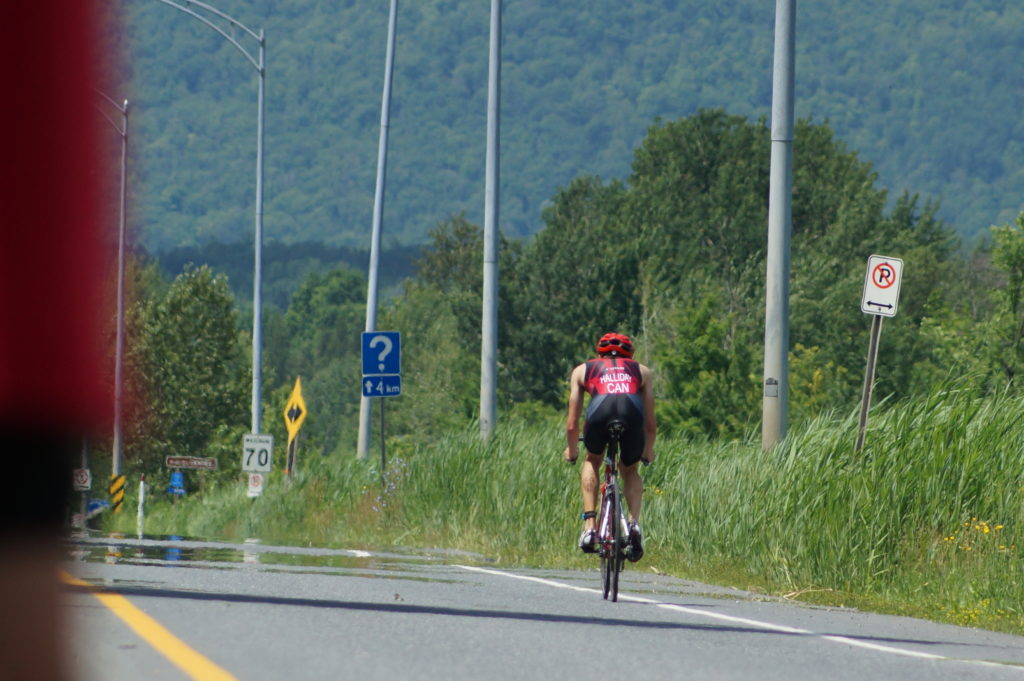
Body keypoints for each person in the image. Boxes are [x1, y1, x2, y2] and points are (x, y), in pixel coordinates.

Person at [564, 332, 656, 561]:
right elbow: (650, 423)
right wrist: (647, 450)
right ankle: (634, 525)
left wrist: (573, 450)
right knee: (630, 468)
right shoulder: (641, 371)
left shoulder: (582, 370)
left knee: (592, 459)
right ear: (630, 355)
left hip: (599, 411)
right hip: (631, 412)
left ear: (599, 353)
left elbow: (572, 423)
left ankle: (590, 527)